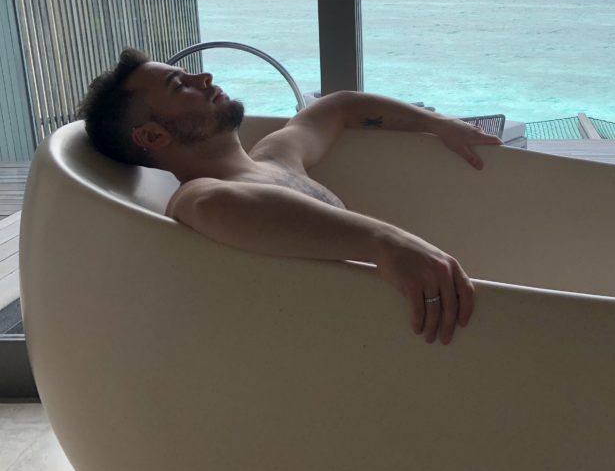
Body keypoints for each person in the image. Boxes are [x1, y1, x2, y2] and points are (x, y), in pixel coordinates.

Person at [76, 48, 502, 346]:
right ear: (153, 135)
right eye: (178, 84)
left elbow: (340, 107)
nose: (202, 77)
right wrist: (384, 242)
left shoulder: (276, 158)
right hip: (337, 353)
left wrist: (439, 124)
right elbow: (223, 209)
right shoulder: (197, 196)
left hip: (403, 332)